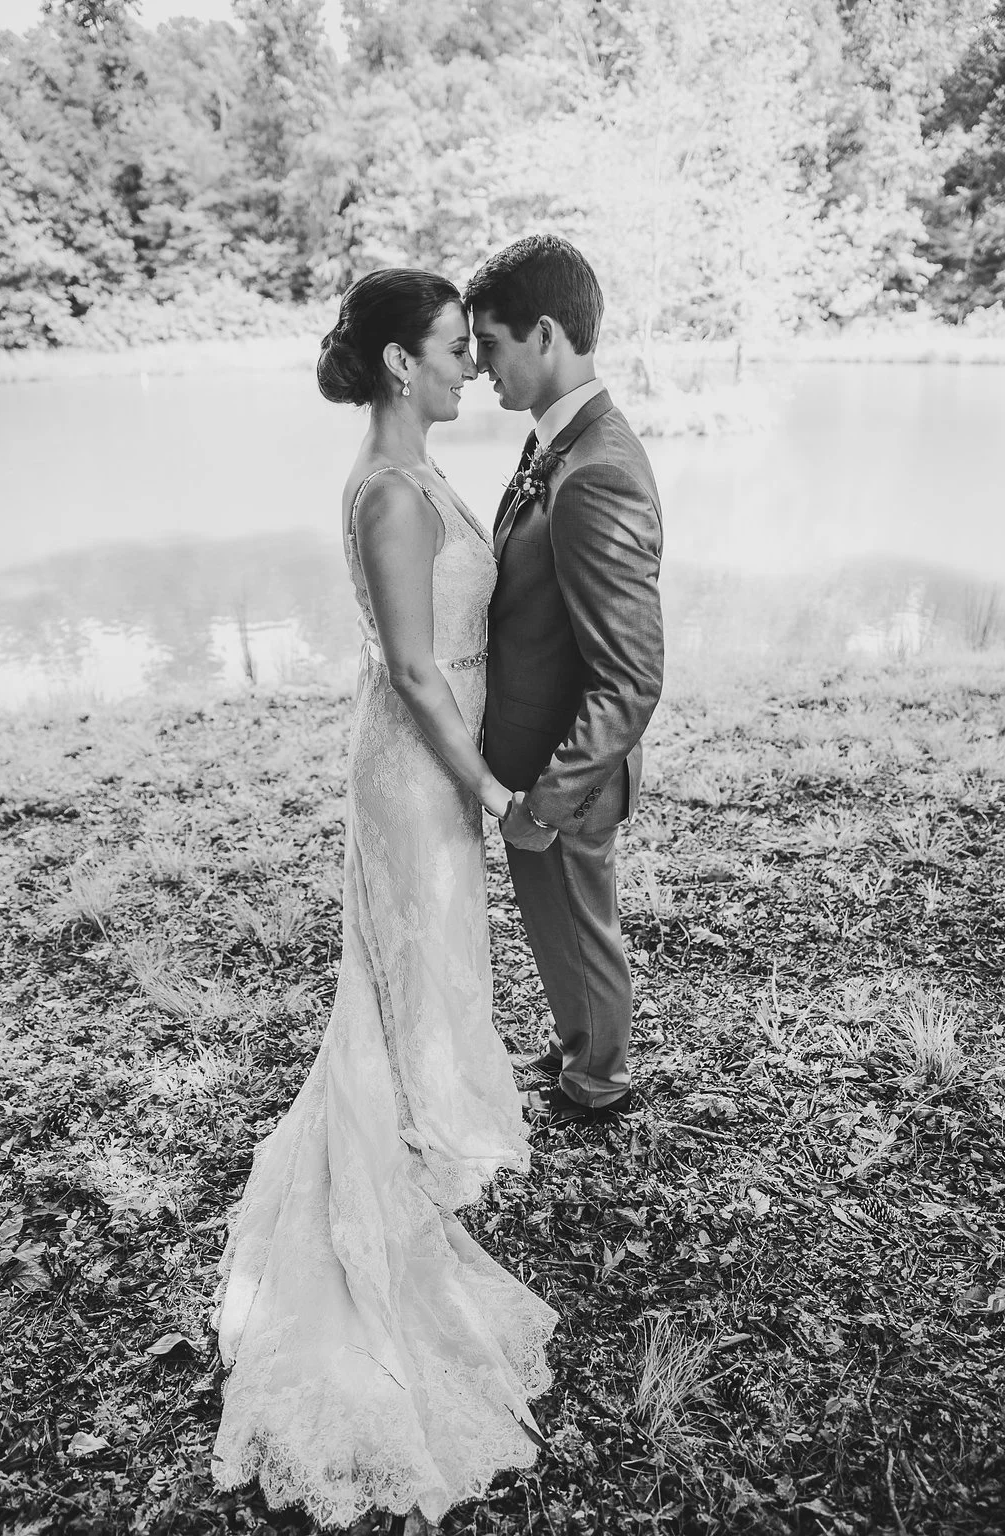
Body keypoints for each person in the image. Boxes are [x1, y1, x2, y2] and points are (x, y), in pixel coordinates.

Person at [211, 269, 556, 1535]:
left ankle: (416, 1162)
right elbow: (414, 668)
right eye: (456, 348)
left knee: (424, 977)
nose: (472, 365)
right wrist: (494, 788)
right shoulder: (391, 493)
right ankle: (385, 1215)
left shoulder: (414, 469)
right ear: (403, 363)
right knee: (409, 980)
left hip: (430, 762)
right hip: (417, 771)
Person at [465, 235, 665, 1130]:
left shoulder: (597, 474)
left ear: (544, 335)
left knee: (582, 927)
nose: (481, 366)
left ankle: (600, 1081)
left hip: (565, 770)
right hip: (533, 748)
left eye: (491, 344)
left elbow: (631, 675)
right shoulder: (555, 440)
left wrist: (546, 803)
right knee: (557, 924)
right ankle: (580, 1040)